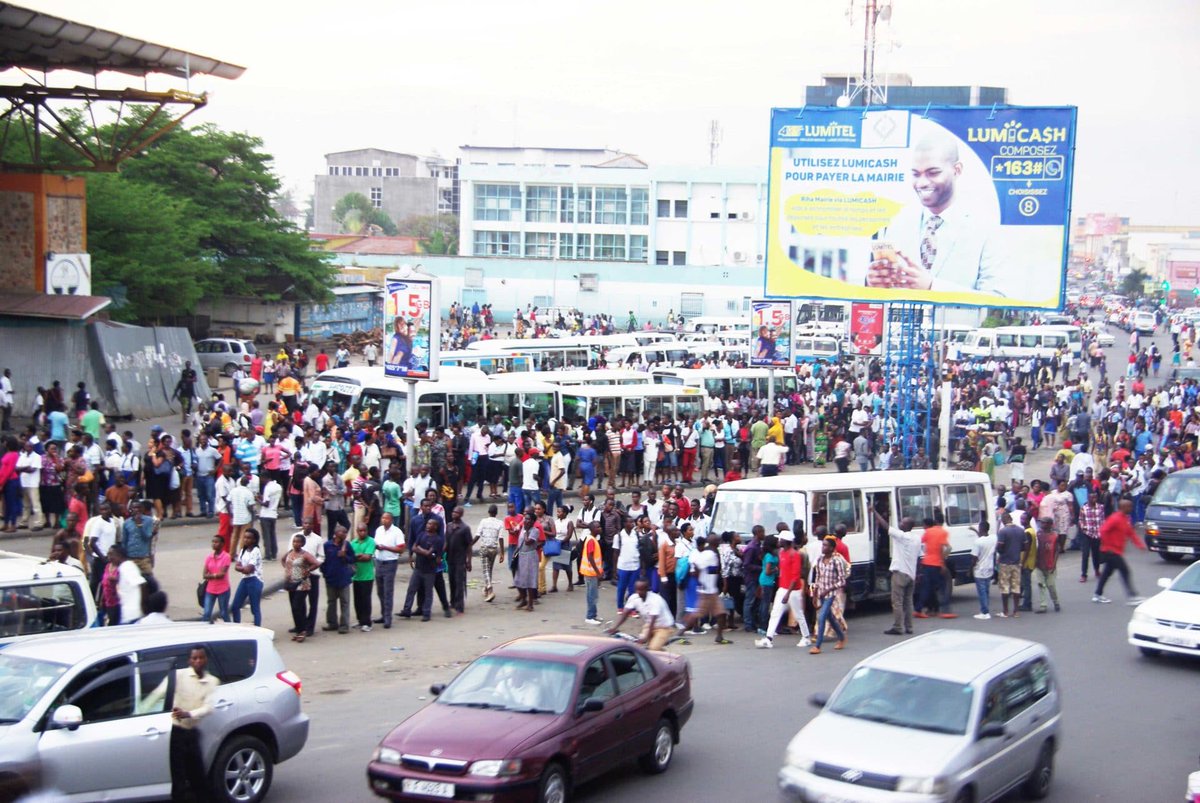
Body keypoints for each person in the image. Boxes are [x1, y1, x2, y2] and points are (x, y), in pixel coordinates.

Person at [866, 133, 1005, 295]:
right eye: (916, 174)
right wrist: (874, 285)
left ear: (957, 170)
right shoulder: (897, 224)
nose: (922, 183)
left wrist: (933, 286)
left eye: (933, 173)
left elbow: (997, 299)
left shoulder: (986, 227)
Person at [754, 528, 812, 649]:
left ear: (785, 541)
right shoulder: (782, 553)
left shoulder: (794, 555)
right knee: (775, 613)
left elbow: (795, 576)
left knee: (798, 614)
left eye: (780, 539)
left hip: (793, 590)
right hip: (783, 588)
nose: (778, 540)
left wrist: (788, 593)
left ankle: (806, 637)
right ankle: (768, 638)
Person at [1093, 497, 1146, 605]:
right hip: (1111, 552)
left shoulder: (1125, 519)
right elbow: (1103, 530)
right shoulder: (1115, 518)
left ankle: (1098, 594)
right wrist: (1108, 546)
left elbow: (1130, 533)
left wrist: (1140, 545)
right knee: (1125, 571)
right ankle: (1132, 596)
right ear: (1123, 507)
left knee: (1106, 573)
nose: (1131, 508)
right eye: (1129, 506)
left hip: (1115, 551)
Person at [606, 579, 676, 650]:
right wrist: (614, 628)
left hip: (664, 627)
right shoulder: (634, 597)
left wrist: (645, 638)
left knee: (653, 648)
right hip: (649, 625)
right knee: (639, 647)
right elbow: (625, 614)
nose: (638, 592)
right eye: (637, 589)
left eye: (641, 590)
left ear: (647, 589)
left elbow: (653, 621)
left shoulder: (655, 600)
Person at [809, 536, 848, 655]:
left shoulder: (836, 561)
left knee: (821, 617)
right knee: (830, 617)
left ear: (832, 548)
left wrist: (829, 589)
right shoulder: (820, 560)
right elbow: (817, 577)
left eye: (826, 545)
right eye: (823, 545)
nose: (823, 547)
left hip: (830, 594)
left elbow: (842, 581)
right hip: (821, 592)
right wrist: (815, 592)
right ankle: (841, 637)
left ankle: (818, 645)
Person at [282, 533, 320, 641]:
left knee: (296, 606)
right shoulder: (290, 553)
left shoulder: (305, 554)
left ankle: (302, 631)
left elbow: (316, 563)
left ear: (303, 543)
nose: (296, 544)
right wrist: (288, 571)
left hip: (302, 584)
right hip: (291, 583)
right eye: (294, 541)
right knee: (295, 608)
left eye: (298, 542)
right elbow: (283, 560)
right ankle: (299, 630)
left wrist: (307, 570)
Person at [372, 511, 405, 627]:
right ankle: (383, 614)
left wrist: (386, 548)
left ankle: (388, 618)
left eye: (386, 519)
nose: (384, 520)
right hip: (378, 562)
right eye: (383, 518)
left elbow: (401, 549)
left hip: (390, 563)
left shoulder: (397, 532)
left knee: (388, 591)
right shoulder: (379, 530)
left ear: (391, 520)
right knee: (380, 591)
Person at [322, 525, 356, 632]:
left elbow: (352, 559)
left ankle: (344, 625)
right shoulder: (327, 545)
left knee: (344, 602)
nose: (345, 535)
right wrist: (325, 573)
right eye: (343, 532)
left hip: (344, 579)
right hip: (331, 578)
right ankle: (332, 623)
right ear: (336, 533)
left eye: (346, 533)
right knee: (331, 602)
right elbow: (323, 561)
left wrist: (344, 556)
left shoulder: (347, 545)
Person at [995, 512, 1030, 618]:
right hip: (1016, 561)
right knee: (1016, 587)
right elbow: (1025, 546)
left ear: (1003, 520)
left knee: (1004, 587)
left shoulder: (1003, 531)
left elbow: (1000, 547)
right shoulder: (1020, 530)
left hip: (1005, 562)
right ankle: (1016, 611)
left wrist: (1001, 551)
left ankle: (1005, 611)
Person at [230, 529, 264, 627]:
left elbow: (249, 569)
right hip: (245, 580)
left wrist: (241, 568)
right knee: (235, 606)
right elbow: (237, 566)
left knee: (254, 608)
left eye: (249, 538)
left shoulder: (256, 551)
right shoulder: (243, 551)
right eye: (245, 537)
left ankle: (258, 628)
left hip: (255, 580)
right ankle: (237, 626)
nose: (246, 540)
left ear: (254, 540)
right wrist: (242, 568)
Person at [349, 522, 376, 631]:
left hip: (367, 576)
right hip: (356, 576)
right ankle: (360, 620)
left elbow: (367, 557)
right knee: (357, 600)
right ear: (357, 531)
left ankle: (367, 623)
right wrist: (358, 556)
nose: (362, 532)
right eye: (360, 531)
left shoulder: (370, 541)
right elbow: (350, 557)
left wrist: (355, 557)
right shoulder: (353, 542)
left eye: (364, 530)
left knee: (366, 600)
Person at [1033, 516, 1063, 613]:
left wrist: (1054, 564)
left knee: (1051, 585)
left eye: (1045, 523)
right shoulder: (1038, 534)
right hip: (1039, 564)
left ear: (1050, 524)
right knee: (1041, 584)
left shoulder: (1054, 536)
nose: (1042, 525)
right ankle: (1043, 605)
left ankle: (1056, 602)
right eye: (1042, 523)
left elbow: (1057, 550)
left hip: (1050, 564)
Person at [475, 504, 503, 603]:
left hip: (484, 548)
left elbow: (478, 535)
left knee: (485, 570)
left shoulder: (483, 521)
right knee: (489, 569)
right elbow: (500, 538)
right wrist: (502, 553)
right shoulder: (500, 523)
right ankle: (486, 589)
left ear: (488, 512)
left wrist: (470, 544)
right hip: (494, 549)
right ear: (496, 513)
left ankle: (490, 589)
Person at [201, 534, 232, 623]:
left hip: (223, 589)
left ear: (222, 544)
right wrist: (215, 575)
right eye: (213, 542)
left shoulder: (226, 557)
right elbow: (204, 574)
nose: (214, 544)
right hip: (210, 589)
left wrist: (211, 575)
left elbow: (222, 574)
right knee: (206, 613)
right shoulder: (209, 557)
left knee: (223, 613)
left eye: (216, 542)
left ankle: (230, 628)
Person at [970, 516, 997, 620]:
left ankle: (985, 612)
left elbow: (974, 558)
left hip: (979, 570)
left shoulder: (978, 542)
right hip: (989, 568)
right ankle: (985, 610)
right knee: (986, 590)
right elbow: (982, 538)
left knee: (982, 592)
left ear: (981, 529)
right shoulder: (993, 538)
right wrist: (975, 531)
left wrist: (969, 570)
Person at [579, 520, 604, 624]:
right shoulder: (591, 540)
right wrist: (598, 572)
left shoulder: (592, 539)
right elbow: (590, 557)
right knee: (591, 595)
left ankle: (593, 615)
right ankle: (590, 617)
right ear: (593, 529)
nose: (600, 528)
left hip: (592, 572)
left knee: (594, 594)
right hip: (590, 573)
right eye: (598, 527)